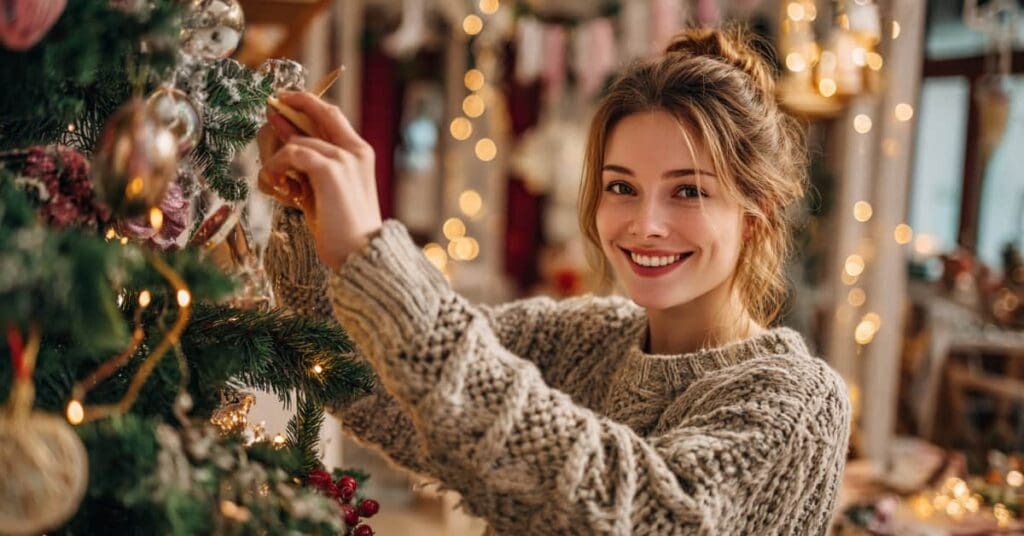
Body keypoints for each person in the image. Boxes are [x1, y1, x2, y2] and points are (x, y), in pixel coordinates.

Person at [258, 27, 850, 536]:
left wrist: (373, 251)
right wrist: (309, 212)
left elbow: (644, 515)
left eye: (688, 191)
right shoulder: (582, 338)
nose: (645, 225)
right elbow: (368, 373)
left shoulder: (799, 402)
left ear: (758, 215)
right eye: (621, 187)